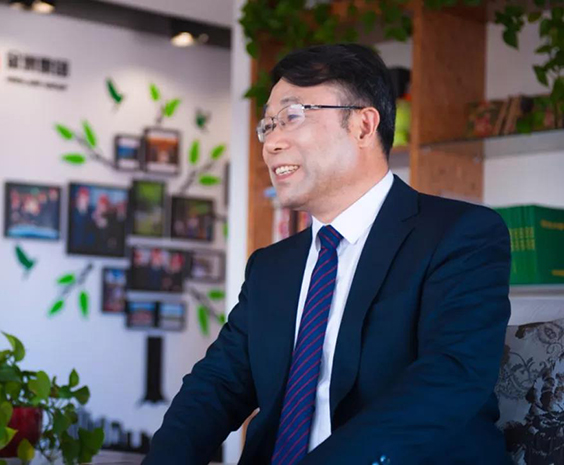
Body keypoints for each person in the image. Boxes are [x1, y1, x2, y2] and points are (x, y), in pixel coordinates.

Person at [143, 43, 511, 465]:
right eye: (267, 125)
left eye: (292, 117)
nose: (271, 142)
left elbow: (450, 379)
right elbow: (218, 385)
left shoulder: (459, 236)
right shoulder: (271, 267)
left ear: (363, 125)